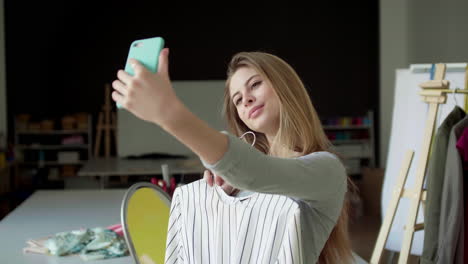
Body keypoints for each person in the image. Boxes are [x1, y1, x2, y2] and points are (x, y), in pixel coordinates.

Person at [112, 48, 354, 263]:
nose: (246, 99)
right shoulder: (241, 179)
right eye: (238, 99)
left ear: (285, 84)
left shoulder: (327, 170)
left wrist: (167, 113)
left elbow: (258, 173)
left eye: (255, 84)